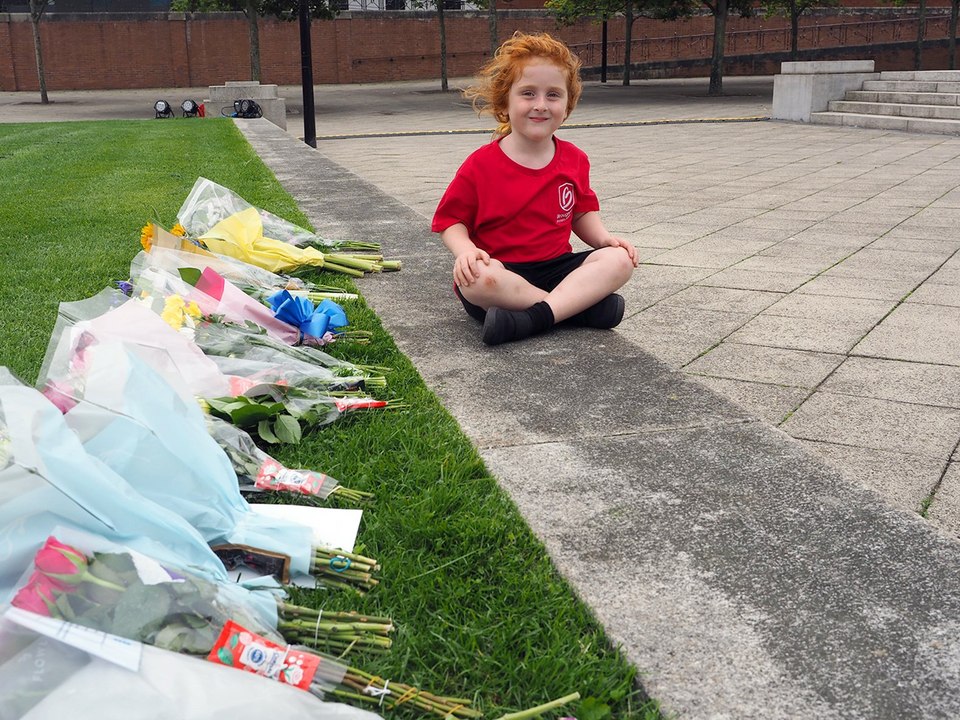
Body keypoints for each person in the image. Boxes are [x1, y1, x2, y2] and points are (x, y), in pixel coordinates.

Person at [431, 31, 638, 346]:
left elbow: (581, 212)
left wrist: (604, 239)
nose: (541, 105)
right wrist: (466, 251)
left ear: (567, 106)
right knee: (477, 280)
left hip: (557, 267)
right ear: (506, 101)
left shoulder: (574, 159)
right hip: (503, 272)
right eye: (528, 93)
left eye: (553, 95)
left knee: (620, 259)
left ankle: (532, 318)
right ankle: (575, 309)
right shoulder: (481, 164)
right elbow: (450, 221)